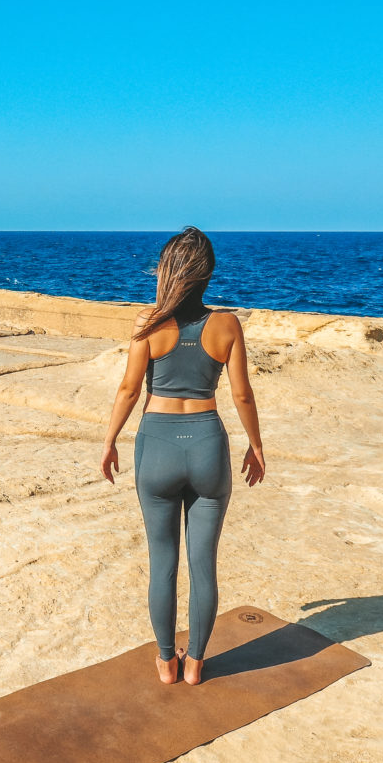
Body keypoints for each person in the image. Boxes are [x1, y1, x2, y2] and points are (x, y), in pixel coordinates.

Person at [100, 227, 265, 685]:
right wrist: (255, 446)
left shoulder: (148, 323)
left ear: (167, 271)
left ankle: (166, 662)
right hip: (209, 444)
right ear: (207, 274)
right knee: (203, 563)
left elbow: (129, 389)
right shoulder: (228, 324)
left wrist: (110, 440)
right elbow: (242, 395)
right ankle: (195, 664)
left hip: (157, 446)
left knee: (163, 561)